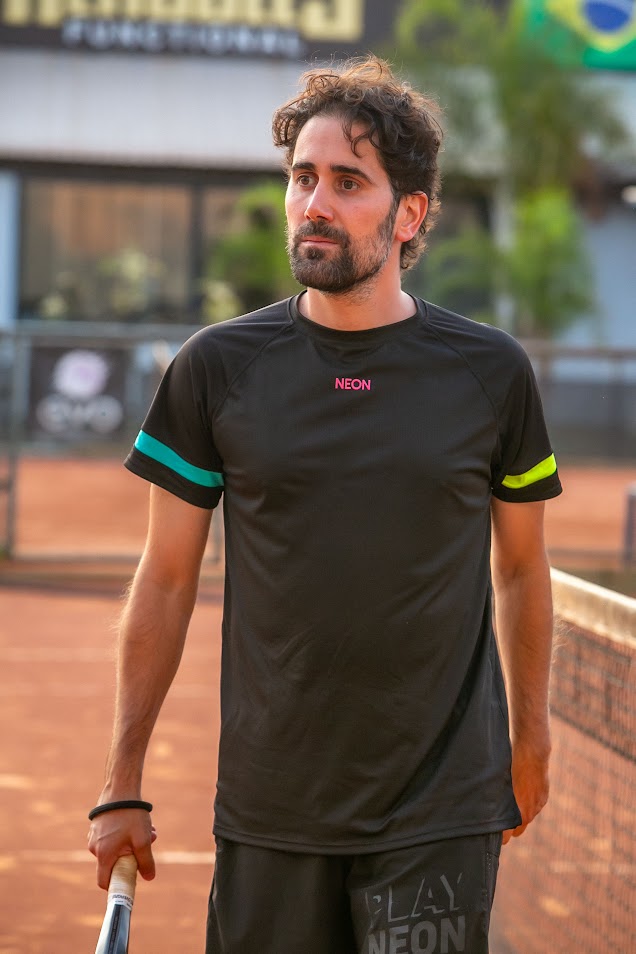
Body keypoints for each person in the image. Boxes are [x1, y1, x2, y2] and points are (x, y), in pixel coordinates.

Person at [88, 55, 562, 954]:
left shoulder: (491, 372)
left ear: (408, 214)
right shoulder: (216, 368)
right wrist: (122, 780)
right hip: (271, 806)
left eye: (348, 182)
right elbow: (167, 579)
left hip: (441, 808)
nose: (315, 203)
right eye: (303, 177)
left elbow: (520, 566)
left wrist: (531, 738)